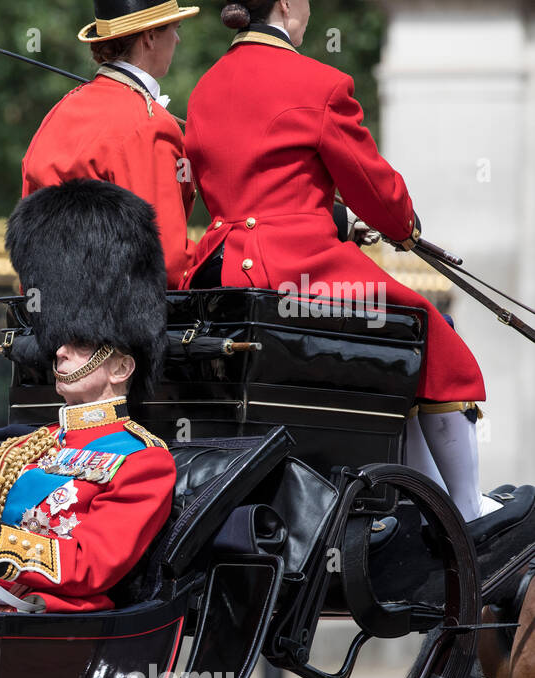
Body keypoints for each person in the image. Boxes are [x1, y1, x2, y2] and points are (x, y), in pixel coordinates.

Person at [179, 1, 496, 521]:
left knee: (400, 350)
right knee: (429, 331)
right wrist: (404, 227)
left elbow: (255, 180)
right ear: (286, 4)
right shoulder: (319, 82)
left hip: (218, 261)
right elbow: (374, 185)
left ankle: (428, 497)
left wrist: (334, 215)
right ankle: (466, 508)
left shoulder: (207, 84)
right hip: (296, 265)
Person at [0, 180, 176, 613]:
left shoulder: (142, 462)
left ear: (120, 367)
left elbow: (90, 565)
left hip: (50, 622)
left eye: (80, 343)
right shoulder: (22, 449)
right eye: (60, 338)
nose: (59, 350)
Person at [21, 0, 201, 288]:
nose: (177, 39)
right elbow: (166, 262)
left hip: (50, 316)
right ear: (150, 36)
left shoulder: (58, 112)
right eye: (175, 29)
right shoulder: (149, 123)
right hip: (118, 320)